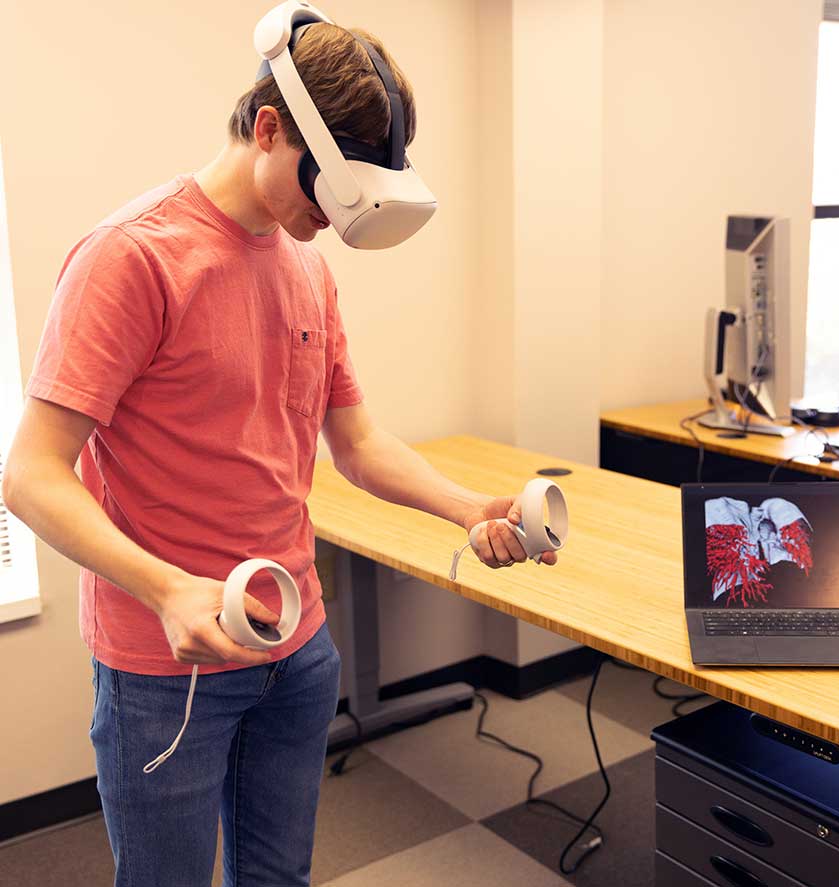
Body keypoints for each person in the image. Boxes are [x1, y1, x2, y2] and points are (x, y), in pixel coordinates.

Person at [2, 18, 554, 887]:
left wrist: (466, 506)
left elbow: (358, 442)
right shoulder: (133, 258)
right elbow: (30, 475)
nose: (334, 220)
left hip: (296, 649)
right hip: (167, 665)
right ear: (269, 129)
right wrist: (165, 588)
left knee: (277, 879)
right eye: (328, 190)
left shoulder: (305, 267)